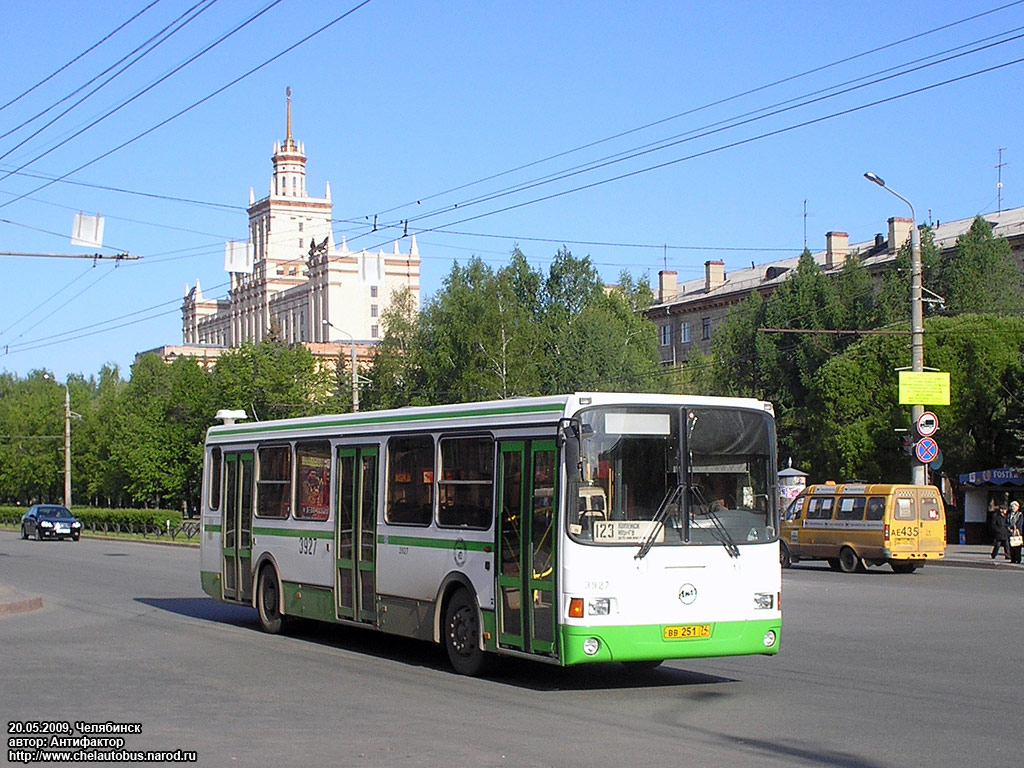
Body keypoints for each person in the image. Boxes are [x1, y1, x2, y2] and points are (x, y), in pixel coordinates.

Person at [1007, 500, 1023, 565]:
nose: (1013, 508)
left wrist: (1014, 528)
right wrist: (1008, 527)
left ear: (1017, 507)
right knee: (1011, 546)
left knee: (1017, 546)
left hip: (1017, 532)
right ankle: (1012, 559)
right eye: (1012, 506)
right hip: (1010, 532)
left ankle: (1018, 559)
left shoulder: (1020, 514)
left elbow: (1020, 523)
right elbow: (1006, 522)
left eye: (1015, 506)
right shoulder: (1009, 515)